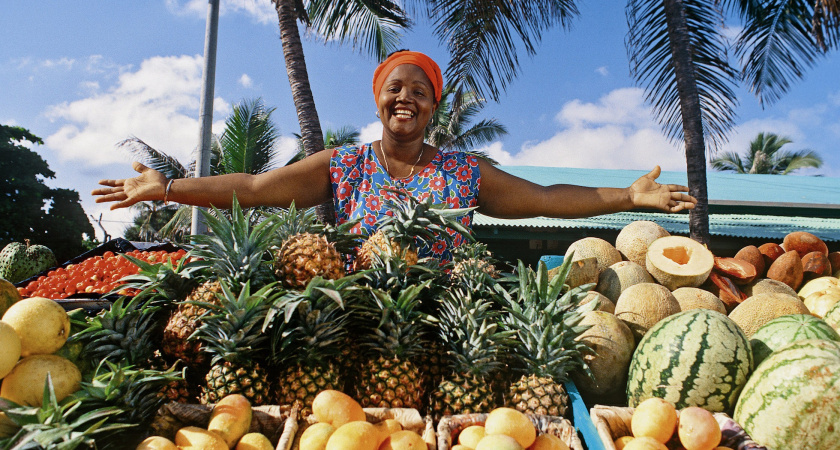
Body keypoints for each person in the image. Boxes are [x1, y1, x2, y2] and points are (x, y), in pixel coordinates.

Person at [93, 50, 697, 263]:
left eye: (420, 90)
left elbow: (542, 200)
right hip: (358, 314)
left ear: (434, 107)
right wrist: (168, 188)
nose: (406, 96)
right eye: (395, 87)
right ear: (379, 100)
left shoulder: (465, 171)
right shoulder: (342, 165)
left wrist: (627, 196)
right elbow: (252, 189)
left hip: (446, 321)